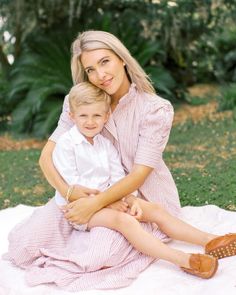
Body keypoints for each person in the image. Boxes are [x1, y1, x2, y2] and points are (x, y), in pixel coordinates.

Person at [3, 31, 236, 291]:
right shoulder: (80, 101)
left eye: (105, 62)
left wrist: (100, 203)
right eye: (90, 69)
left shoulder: (155, 109)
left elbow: (138, 174)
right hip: (81, 193)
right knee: (24, 247)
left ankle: (208, 244)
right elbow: (47, 156)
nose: (100, 75)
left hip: (137, 194)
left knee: (104, 253)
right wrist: (69, 193)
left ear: (122, 59)